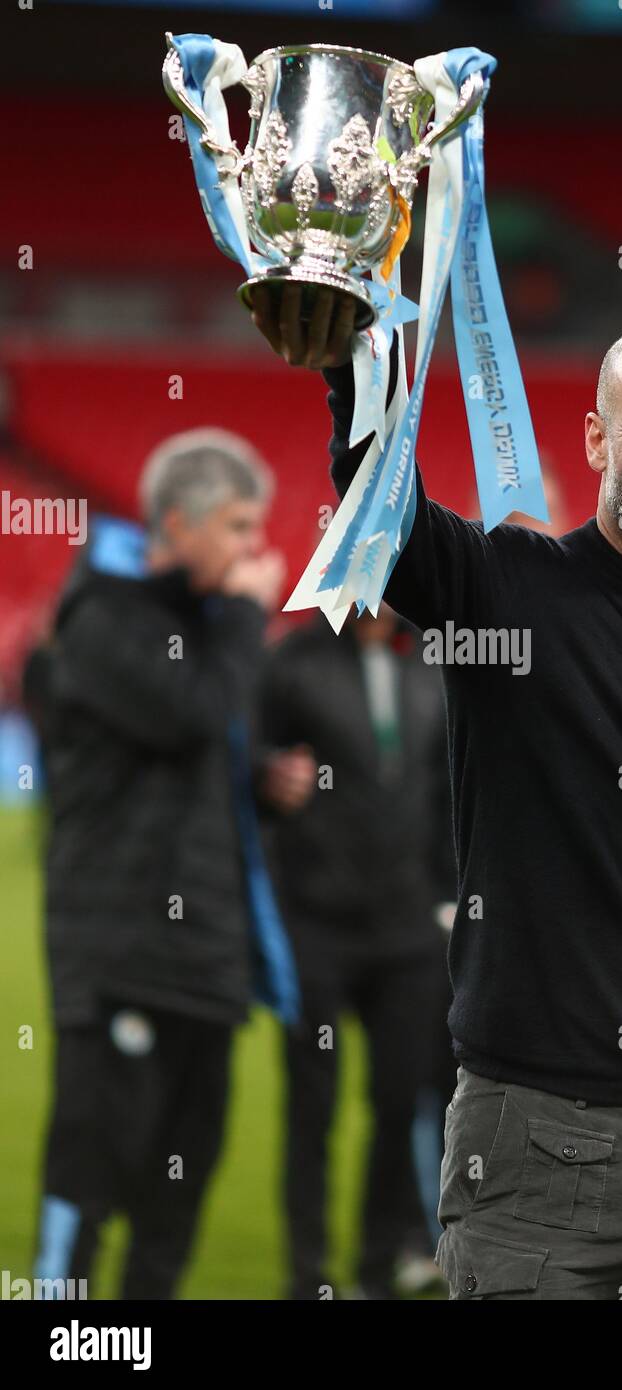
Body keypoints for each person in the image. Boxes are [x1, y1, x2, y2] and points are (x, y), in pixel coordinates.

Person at [249, 286, 622, 1300]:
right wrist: (349, 358)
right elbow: (378, 503)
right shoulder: (507, 591)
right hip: (536, 1162)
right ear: (595, 439)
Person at [34, 428, 301, 1299]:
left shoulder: (192, 624)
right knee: (90, 1173)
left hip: (204, 962)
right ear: (179, 525)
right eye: (237, 526)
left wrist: (259, 784)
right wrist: (243, 615)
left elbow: (188, 750)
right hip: (121, 958)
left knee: (175, 1193)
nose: (254, 550)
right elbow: (188, 713)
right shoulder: (104, 613)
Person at [258, 601, 455, 1300]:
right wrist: (264, 773)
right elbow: (248, 760)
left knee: (400, 1103)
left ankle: (379, 1267)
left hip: (406, 932)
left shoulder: (431, 659)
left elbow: (444, 788)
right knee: (311, 1107)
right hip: (315, 925)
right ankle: (307, 1272)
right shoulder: (294, 661)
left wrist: (447, 895)